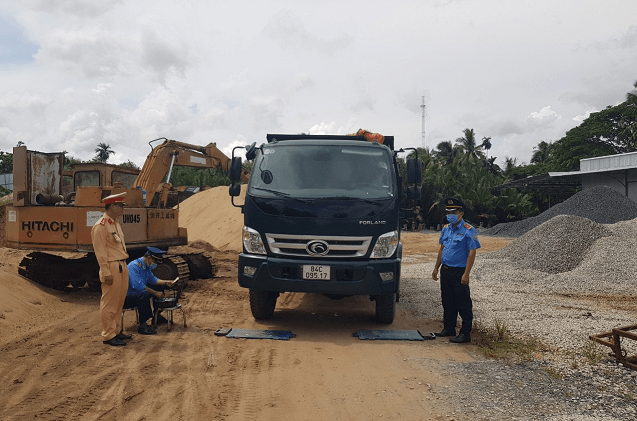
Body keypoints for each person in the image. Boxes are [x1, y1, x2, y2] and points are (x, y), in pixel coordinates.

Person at [431, 197, 481, 343]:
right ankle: (449, 328)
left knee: (463, 303)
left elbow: (472, 252)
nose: (450, 214)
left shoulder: (469, 231)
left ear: (461, 214)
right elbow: (442, 249)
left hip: (459, 272)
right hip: (445, 271)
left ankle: (465, 334)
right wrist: (436, 268)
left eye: (454, 212)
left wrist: (467, 274)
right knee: (447, 301)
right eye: (448, 212)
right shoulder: (446, 229)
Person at [91, 192, 130, 346]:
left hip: (122, 265)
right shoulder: (100, 226)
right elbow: (100, 253)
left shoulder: (115, 223)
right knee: (109, 303)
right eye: (120, 206)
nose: (123, 209)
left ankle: (117, 331)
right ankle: (108, 335)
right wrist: (106, 272)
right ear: (112, 206)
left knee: (119, 302)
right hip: (112, 266)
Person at [125, 247, 178, 334]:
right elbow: (139, 286)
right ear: (149, 258)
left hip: (139, 294)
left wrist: (167, 282)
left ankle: (157, 316)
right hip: (128, 297)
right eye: (155, 262)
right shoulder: (133, 266)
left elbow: (153, 280)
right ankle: (142, 325)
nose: (155, 265)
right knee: (144, 293)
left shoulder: (147, 266)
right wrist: (155, 293)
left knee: (158, 287)